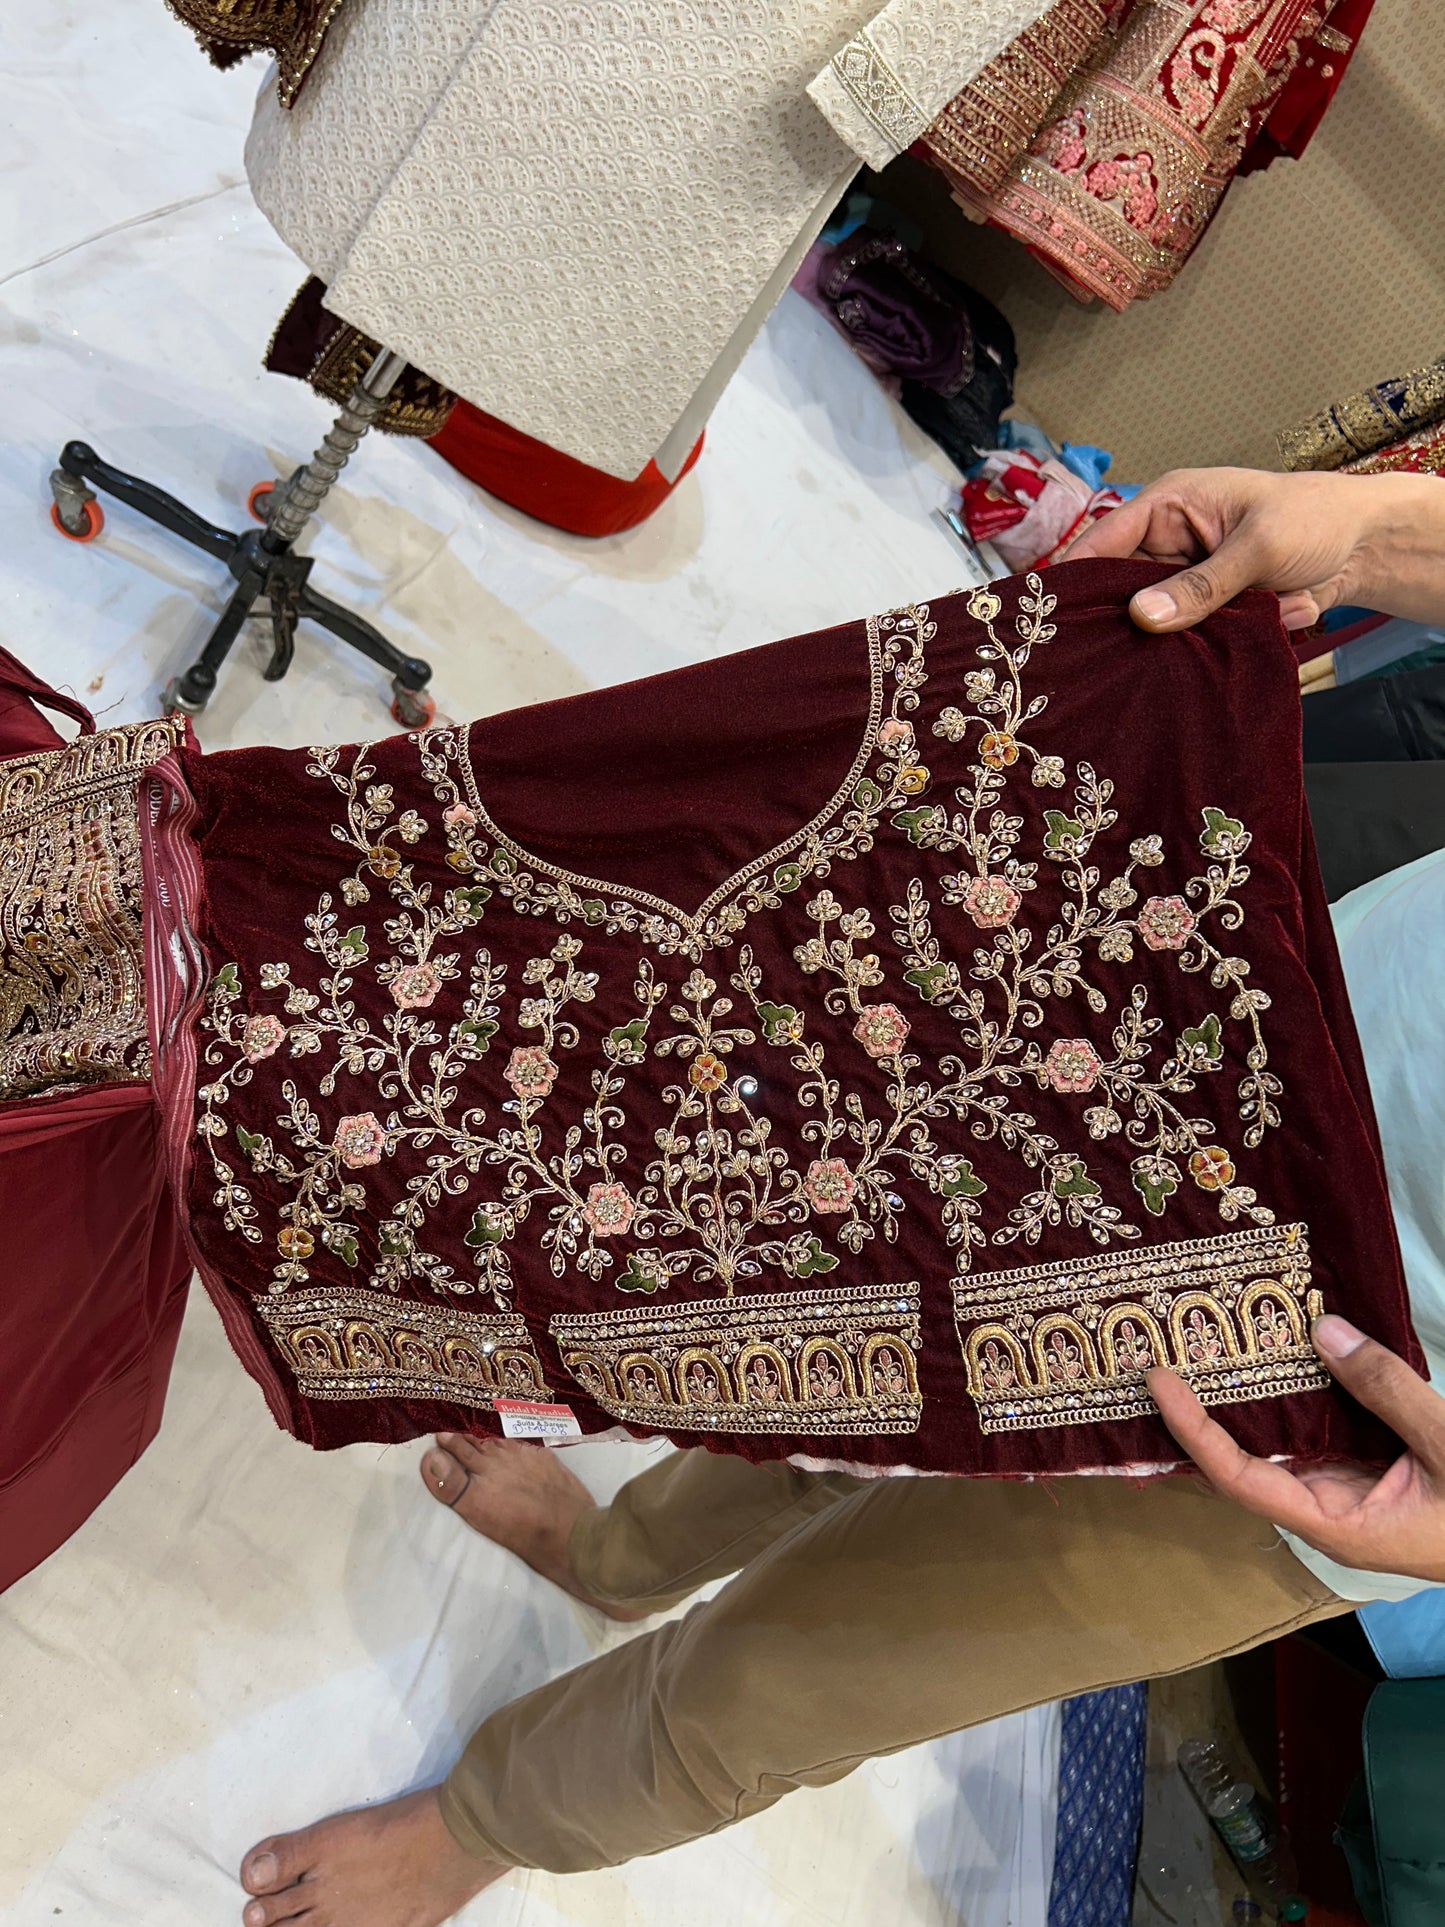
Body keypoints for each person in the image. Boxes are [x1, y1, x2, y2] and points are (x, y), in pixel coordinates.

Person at [237, 467, 1445, 1927]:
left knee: (819, 1664)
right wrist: (1374, 532)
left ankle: (492, 1818)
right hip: (1229, 1058)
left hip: (1357, 1419)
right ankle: (624, 1555)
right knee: (822, 1337)